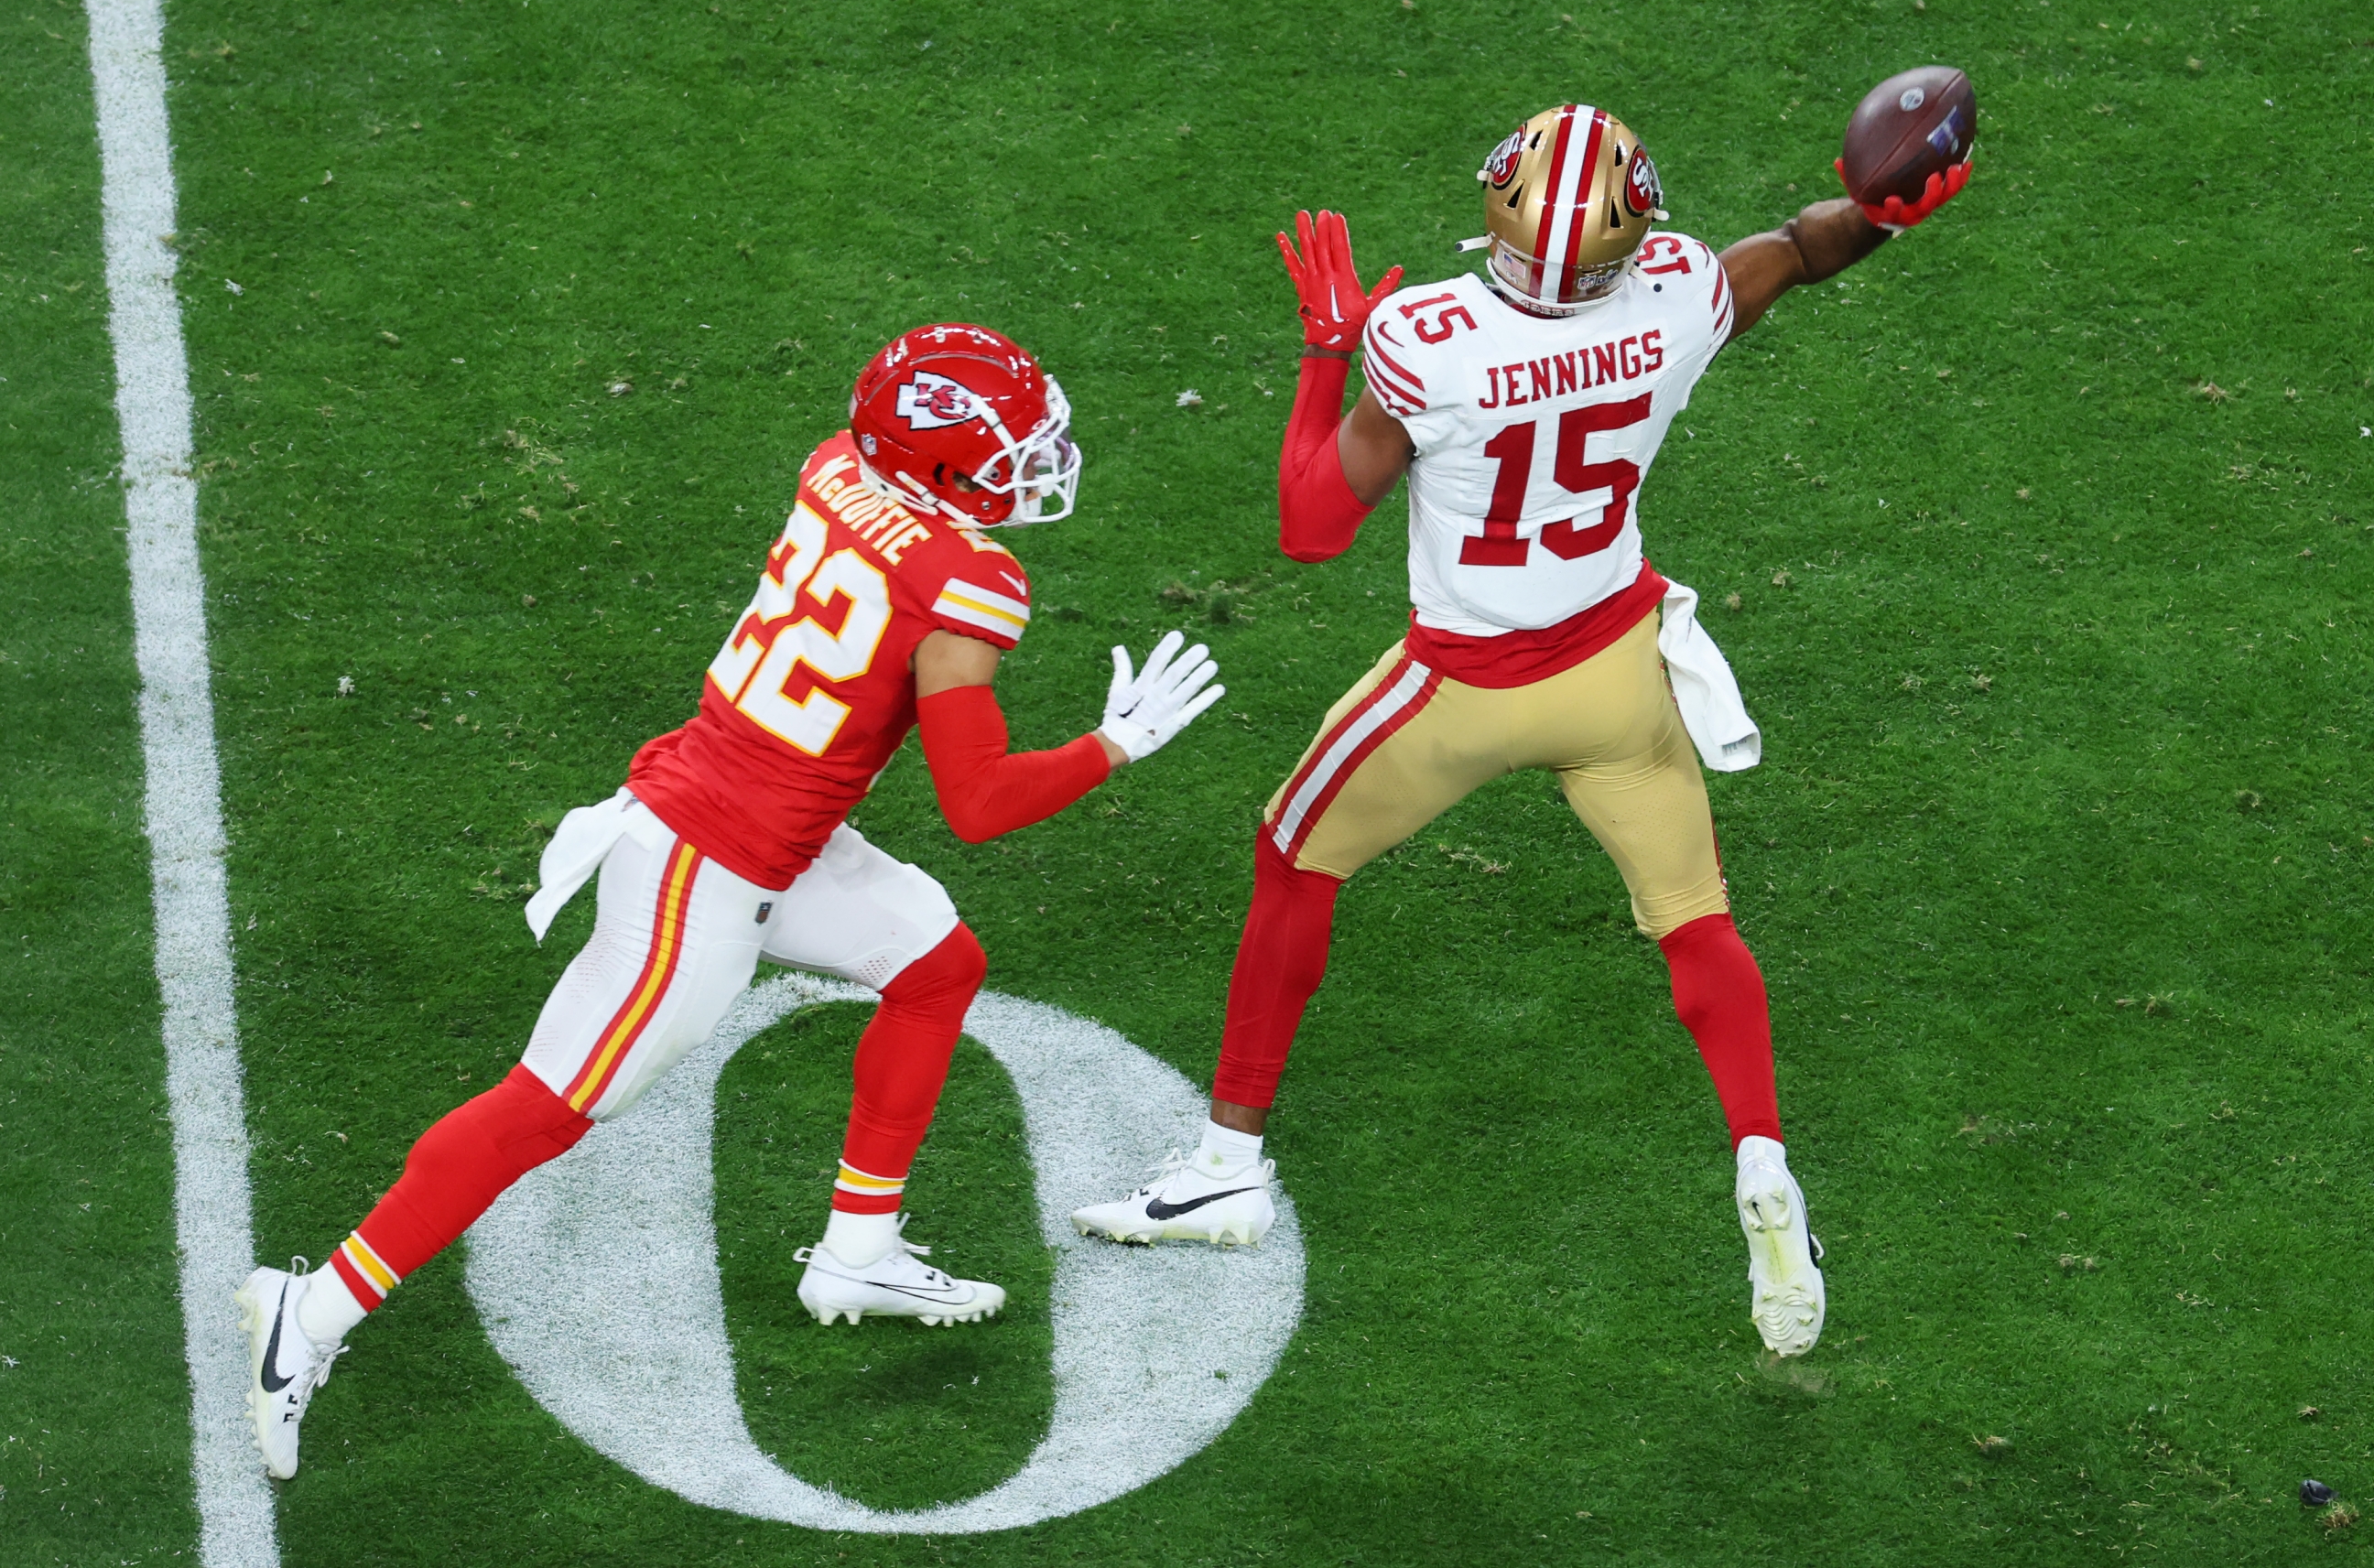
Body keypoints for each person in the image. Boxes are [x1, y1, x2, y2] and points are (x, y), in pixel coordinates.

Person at [236, 324, 1226, 1479]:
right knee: (542, 1109)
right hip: (703, 866)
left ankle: (857, 1247)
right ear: (943, 466)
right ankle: (306, 1313)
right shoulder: (973, 581)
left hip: (766, 820)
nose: (1038, 461)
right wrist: (1114, 744)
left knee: (935, 963)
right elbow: (978, 802)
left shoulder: (836, 465)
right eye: (1010, 446)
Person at [1070, 103, 1967, 1357]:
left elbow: (1312, 528)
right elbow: (1803, 249)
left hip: (1461, 689)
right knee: (1696, 922)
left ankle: (1226, 1163)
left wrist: (1327, 351)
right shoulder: (1678, 297)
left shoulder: (1421, 338)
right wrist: (1886, 212)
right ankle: (1762, 1157)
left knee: (1293, 858)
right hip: (1616, 668)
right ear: (1636, 221)